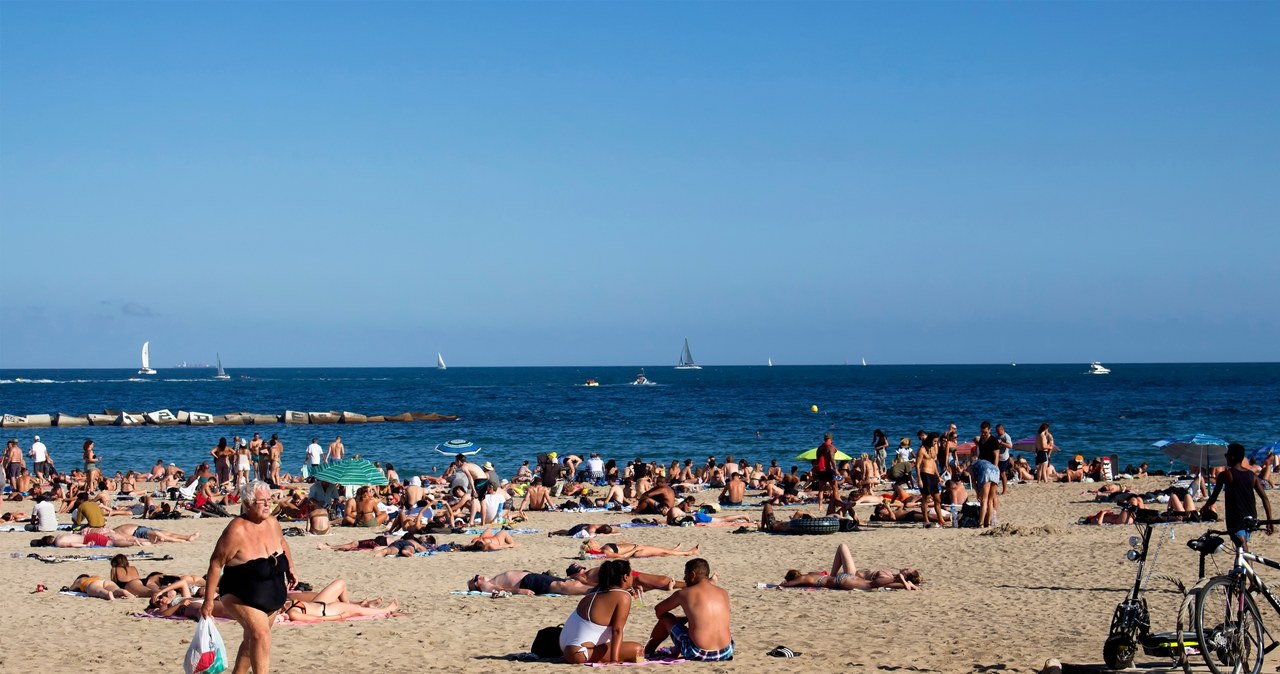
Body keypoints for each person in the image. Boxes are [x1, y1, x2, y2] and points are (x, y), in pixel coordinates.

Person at [202, 480, 299, 674]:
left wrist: (291, 567)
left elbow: (282, 543)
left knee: (251, 642)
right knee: (261, 636)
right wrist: (208, 602)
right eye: (261, 501)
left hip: (271, 592)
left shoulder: (272, 522)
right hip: (240, 594)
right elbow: (216, 563)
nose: (267, 504)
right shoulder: (236, 530)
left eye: (269, 500)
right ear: (247, 504)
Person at [644, 558, 733, 661]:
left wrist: (677, 619)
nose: (684, 578)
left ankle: (648, 651)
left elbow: (659, 611)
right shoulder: (723, 592)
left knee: (666, 618)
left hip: (699, 652)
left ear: (692, 575)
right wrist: (689, 618)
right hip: (726, 650)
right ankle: (675, 649)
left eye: (685, 574)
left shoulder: (684, 593)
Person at [559, 560, 646, 664]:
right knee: (639, 650)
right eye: (631, 574)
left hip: (565, 647)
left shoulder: (594, 593)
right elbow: (617, 630)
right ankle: (642, 662)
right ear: (625, 577)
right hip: (580, 654)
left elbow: (610, 599)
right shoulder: (623, 596)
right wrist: (614, 660)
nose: (633, 578)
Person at [1202, 443, 1275, 551]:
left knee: (1242, 548)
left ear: (1232, 457)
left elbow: (1213, 497)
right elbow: (1264, 498)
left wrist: (1204, 508)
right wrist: (1269, 521)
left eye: (1227, 455)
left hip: (1236, 520)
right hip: (1251, 519)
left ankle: (1249, 567)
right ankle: (1242, 567)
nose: (1225, 457)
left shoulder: (1226, 475)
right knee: (1239, 550)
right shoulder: (1252, 475)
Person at [779, 542, 921, 591]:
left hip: (841, 580)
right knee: (870, 584)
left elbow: (794, 583)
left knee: (871, 585)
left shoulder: (808, 578)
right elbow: (795, 582)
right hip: (843, 578)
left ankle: (899, 580)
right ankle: (901, 582)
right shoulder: (812, 575)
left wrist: (782, 585)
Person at [566, 562, 684, 593]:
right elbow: (591, 585)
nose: (583, 569)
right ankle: (681, 585)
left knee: (644, 579)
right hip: (623, 577)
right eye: (580, 568)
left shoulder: (585, 574)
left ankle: (678, 585)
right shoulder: (579, 577)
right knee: (645, 580)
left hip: (627, 574)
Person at [970, 421, 1001, 528]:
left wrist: (995, 467)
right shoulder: (981, 440)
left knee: (985, 500)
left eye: (985, 432)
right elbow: (980, 455)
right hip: (989, 469)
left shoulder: (993, 440)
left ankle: (981, 523)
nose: (983, 434)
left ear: (989, 430)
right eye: (982, 432)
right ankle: (988, 523)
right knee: (990, 500)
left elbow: (996, 454)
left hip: (988, 469)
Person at [466, 570, 593, 596]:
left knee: (569, 582)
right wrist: (520, 591)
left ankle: (595, 587)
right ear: (477, 586)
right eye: (476, 579)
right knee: (560, 586)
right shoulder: (484, 586)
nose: (479, 577)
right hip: (527, 582)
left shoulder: (489, 580)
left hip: (530, 577)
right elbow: (499, 590)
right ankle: (593, 590)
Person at [915, 432, 945, 529]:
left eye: (937, 441)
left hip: (933, 475)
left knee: (937, 499)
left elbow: (933, 463)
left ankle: (941, 519)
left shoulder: (932, 448)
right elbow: (917, 465)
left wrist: (938, 476)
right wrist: (919, 479)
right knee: (926, 498)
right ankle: (926, 520)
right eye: (934, 441)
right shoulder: (922, 450)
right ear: (930, 440)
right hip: (925, 474)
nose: (936, 443)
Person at [581, 540, 700, 559]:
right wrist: (635, 549)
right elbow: (622, 557)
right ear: (593, 547)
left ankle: (673, 550)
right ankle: (688, 552)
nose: (594, 540)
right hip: (637, 551)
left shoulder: (603, 548)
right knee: (663, 551)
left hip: (637, 548)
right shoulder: (605, 552)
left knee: (660, 551)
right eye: (592, 542)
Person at [66, 573, 133, 600]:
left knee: (100, 591)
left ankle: (107, 594)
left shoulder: (80, 580)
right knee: (115, 589)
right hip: (104, 581)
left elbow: (71, 588)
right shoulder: (94, 576)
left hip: (92, 584)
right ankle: (124, 591)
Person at [995, 423, 1014, 494]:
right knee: (996, 474)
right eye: (996, 430)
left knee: (1003, 474)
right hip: (997, 457)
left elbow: (1010, 446)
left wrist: (1002, 443)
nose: (997, 432)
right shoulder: (997, 436)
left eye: (998, 430)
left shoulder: (1006, 436)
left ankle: (1004, 491)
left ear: (1002, 429)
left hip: (1004, 458)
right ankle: (995, 490)